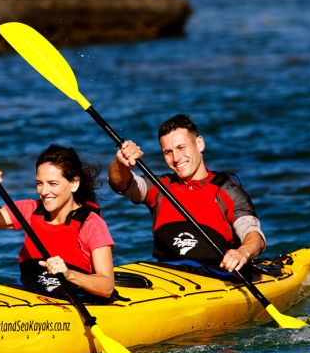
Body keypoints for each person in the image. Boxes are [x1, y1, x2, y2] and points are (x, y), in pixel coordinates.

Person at [107, 114, 265, 275]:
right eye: (168, 152)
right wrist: (121, 163)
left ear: (199, 143)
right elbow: (120, 184)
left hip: (217, 276)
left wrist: (243, 252)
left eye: (181, 148)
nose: (176, 158)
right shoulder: (159, 188)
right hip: (168, 276)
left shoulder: (228, 191)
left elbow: (254, 236)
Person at [0, 144, 115, 300]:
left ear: (74, 183)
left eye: (53, 183)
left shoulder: (91, 224)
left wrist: (68, 274)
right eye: (39, 183)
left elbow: (107, 287)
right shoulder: (29, 210)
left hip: (77, 300)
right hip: (31, 296)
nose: (44, 191)